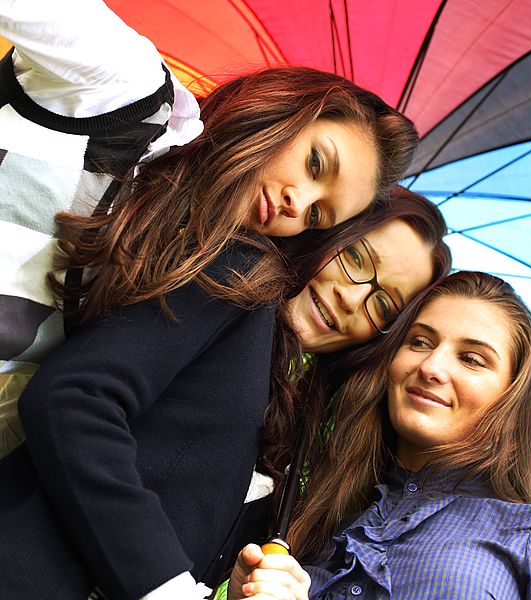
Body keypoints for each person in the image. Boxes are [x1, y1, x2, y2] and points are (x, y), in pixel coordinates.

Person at [0, 0, 417, 456]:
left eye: (317, 216)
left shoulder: (168, 275)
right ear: (284, 110)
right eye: (315, 163)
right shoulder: (129, 89)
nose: (298, 204)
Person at [0, 188, 450, 600]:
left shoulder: (294, 423)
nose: (354, 300)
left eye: (385, 303)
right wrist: (165, 587)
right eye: (356, 258)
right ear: (325, 230)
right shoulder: (237, 274)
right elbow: (74, 398)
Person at [230, 271, 531, 600]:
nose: (432, 367)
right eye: (420, 342)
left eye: (472, 359)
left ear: (510, 397)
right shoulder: (312, 521)